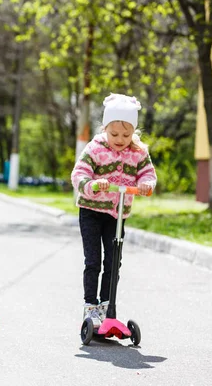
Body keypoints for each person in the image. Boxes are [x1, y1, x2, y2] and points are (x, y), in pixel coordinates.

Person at [70, 93, 157, 326]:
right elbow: (79, 174)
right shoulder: (95, 148)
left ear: (134, 132)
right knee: (93, 261)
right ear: (105, 127)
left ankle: (108, 306)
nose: (120, 139)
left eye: (126, 135)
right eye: (114, 134)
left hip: (117, 215)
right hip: (91, 210)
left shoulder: (138, 151)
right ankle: (91, 306)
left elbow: (147, 173)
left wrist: (146, 184)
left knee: (113, 261)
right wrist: (93, 185)